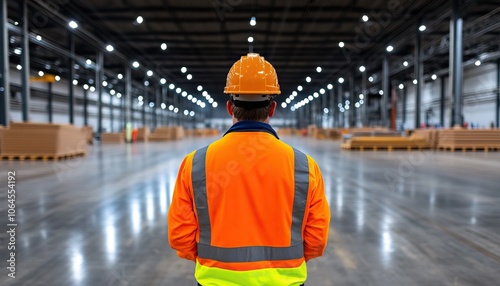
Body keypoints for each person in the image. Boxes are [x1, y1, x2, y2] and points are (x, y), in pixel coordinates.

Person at [168, 53, 330, 286]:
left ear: (229, 107)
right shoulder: (304, 166)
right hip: (284, 281)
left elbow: (180, 236)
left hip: (216, 281)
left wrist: (212, 264)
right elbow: (316, 239)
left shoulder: (195, 163)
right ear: (272, 108)